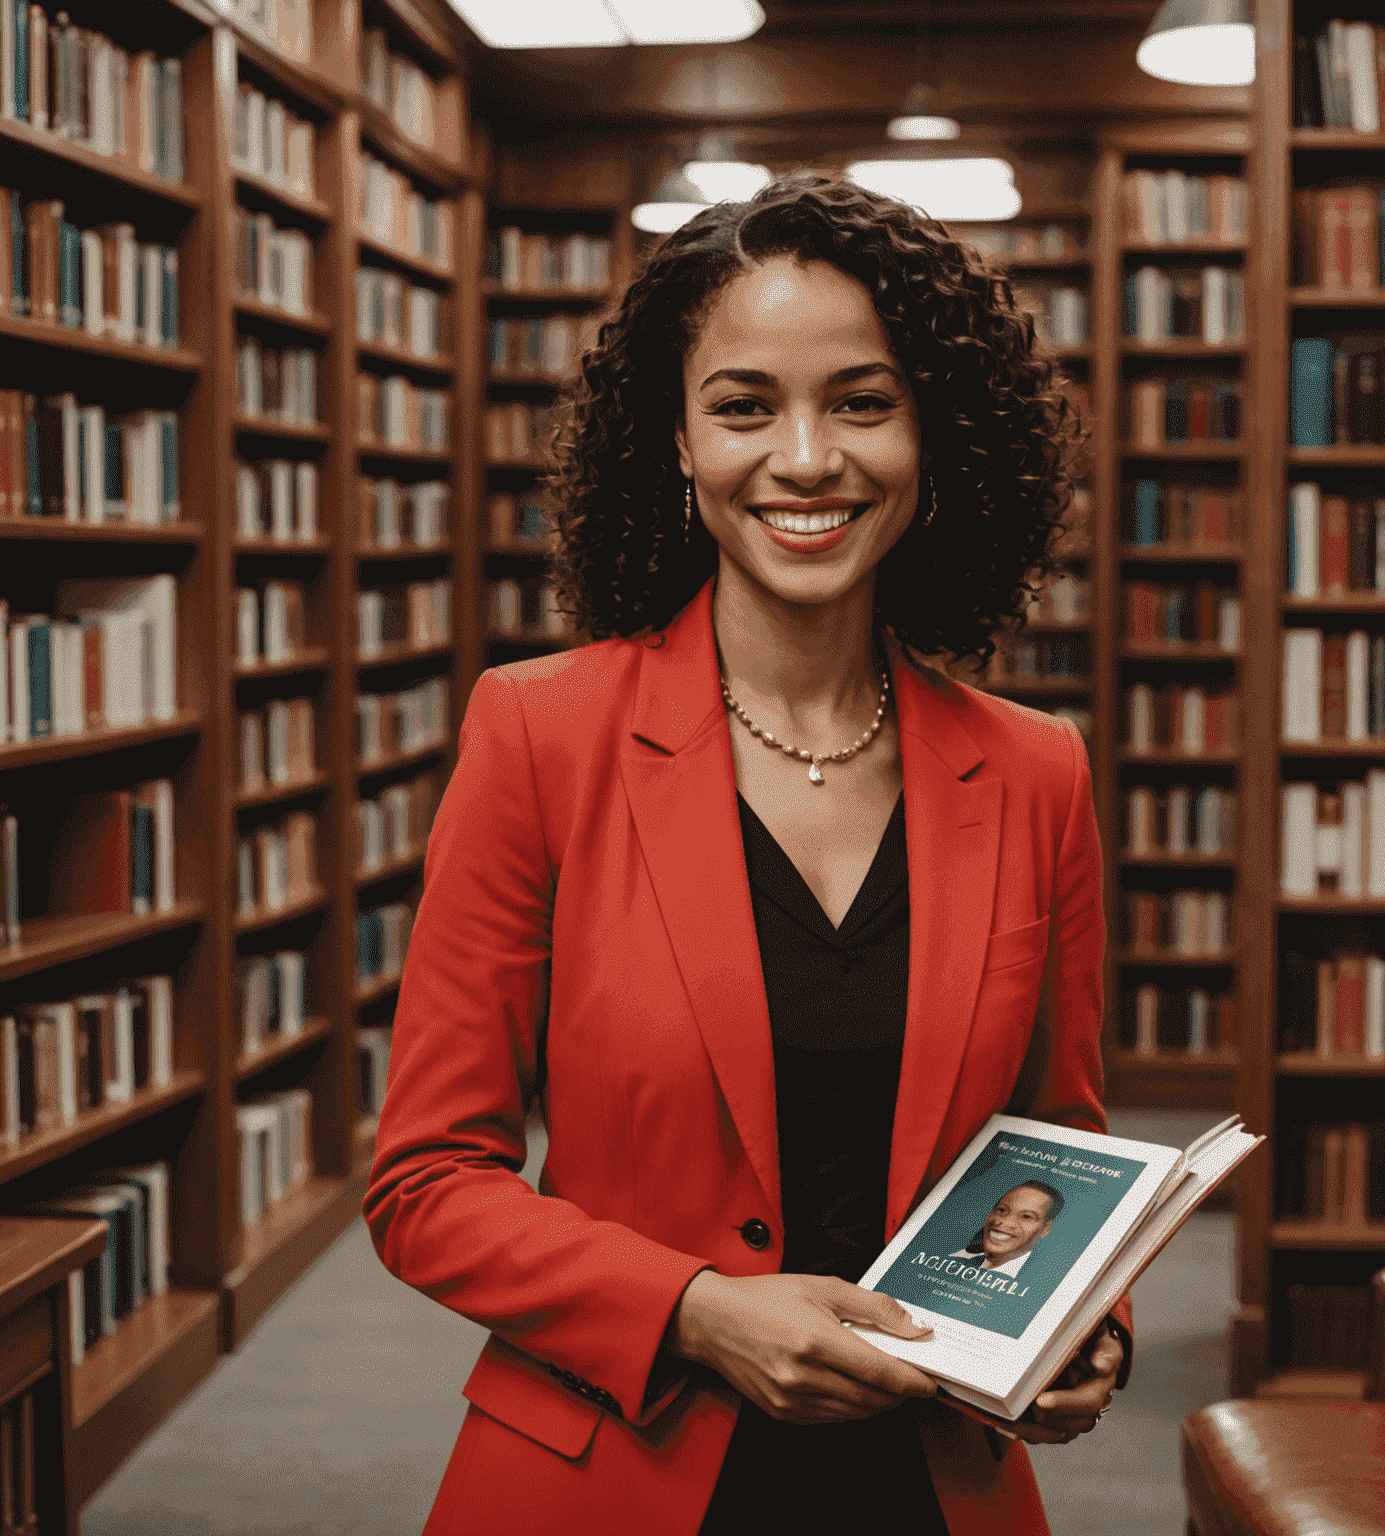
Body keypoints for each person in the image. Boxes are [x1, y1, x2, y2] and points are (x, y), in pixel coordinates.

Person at [364, 170, 1131, 1536]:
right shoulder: (539, 737)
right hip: (616, 1462)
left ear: (932, 434)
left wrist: (1091, 1324)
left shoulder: (1033, 772)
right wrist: (697, 1312)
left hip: (928, 1475)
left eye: (861, 400)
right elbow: (428, 1181)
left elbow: (1061, 1142)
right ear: (675, 441)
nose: (806, 458)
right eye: (743, 405)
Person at [949, 1180, 1065, 1276]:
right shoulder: (955, 1259)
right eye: (1002, 1210)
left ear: (1045, 1228)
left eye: (1026, 1216)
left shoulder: (1038, 1280)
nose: (1005, 1222)